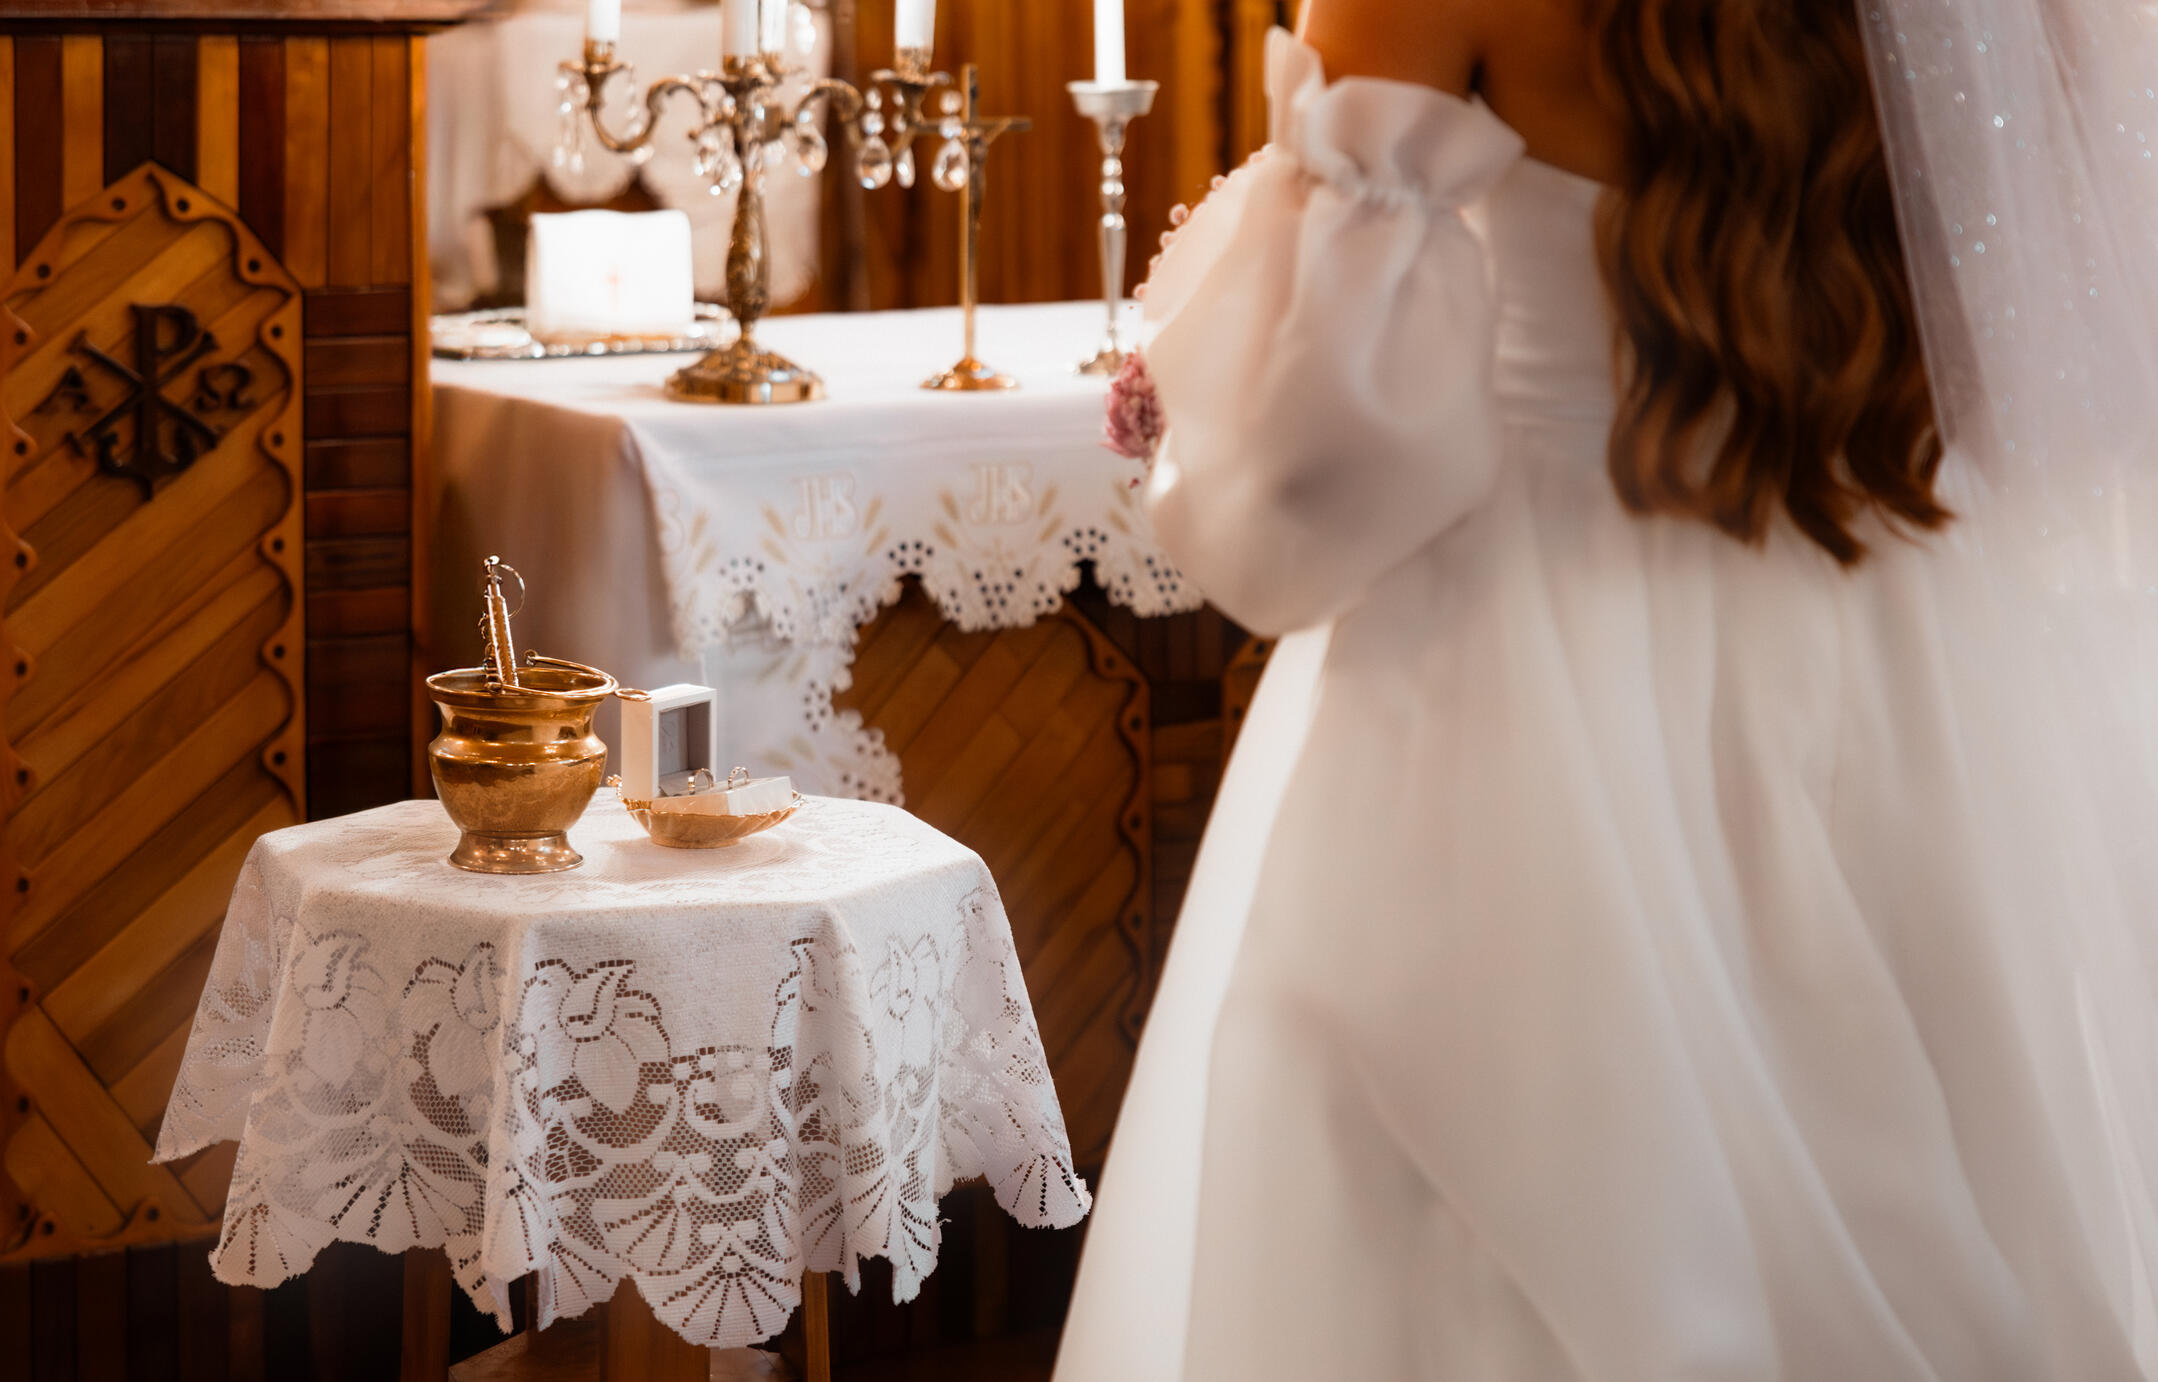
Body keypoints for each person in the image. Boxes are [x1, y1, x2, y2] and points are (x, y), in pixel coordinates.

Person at [1056, 0, 2158, 1376]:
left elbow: (1312, 460)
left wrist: (1200, 393)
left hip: (1525, 652)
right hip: (1888, 619)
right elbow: (2044, 335)